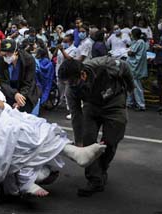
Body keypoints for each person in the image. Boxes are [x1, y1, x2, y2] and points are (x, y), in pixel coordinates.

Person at [0, 50, 106, 197]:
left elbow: (0, 98)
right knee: (24, 132)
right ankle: (27, 178)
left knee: (38, 125)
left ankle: (72, 152)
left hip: (2, 115)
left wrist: (2, 104)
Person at [58, 57, 134, 197]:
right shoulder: (71, 89)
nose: (70, 85)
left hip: (114, 103)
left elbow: (125, 67)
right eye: (66, 83)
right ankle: (95, 180)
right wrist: (79, 140)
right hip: (91, 107)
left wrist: (130, 88)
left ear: (83, 74)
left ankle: (102, 169)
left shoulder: (105, 65)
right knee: (88, 143)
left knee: (110, 142)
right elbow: (76, 115)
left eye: (72, 82)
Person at [0, 39, 41, 113]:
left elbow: (28, 82)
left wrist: (20, 99)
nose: (6, 56)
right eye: (4, 54)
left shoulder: (28, 60)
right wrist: (14, 94)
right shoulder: (0, 59)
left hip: (26, 92)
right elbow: (3, 82)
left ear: (16, 52)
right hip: (9, 91)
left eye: (8, 54)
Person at [127, 28, 148, 111]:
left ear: (134, 35)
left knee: (136, 86)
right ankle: (130, 102)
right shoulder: (139, 42)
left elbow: (131, 52)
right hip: (134, 67)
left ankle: (141, 105)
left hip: (135, 67)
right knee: (131, 85)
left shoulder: (139, 42)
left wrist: (128, 51)